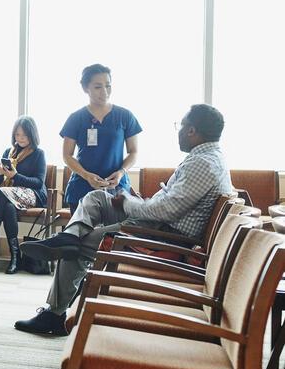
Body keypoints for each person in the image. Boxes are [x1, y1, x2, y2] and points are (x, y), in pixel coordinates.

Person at [14, 104, 233, 336]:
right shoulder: (207, 158)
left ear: (192, 131)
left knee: (77, 248)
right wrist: (136, 202)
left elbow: (166, 211)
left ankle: (54, 315)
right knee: (97, 198)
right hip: (156, 225)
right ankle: (68, 236)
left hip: (160, 237)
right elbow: (170, 205)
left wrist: (129, 203)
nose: (177, 131)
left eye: (181, 125)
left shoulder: (203, 163)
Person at [61, 64, 141, 213]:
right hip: (82, 188)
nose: (104, 91)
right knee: (81, 235)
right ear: (85, 88)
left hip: (116, 188)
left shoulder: (125, 116)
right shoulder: (75, 118)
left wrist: (121, 172)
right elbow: (67, 155)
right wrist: (86, 176)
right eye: (98, 87)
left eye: (108, 86)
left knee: (114, 235)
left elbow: (133, 152)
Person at [0, 116, 47, 274]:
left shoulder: (38, 154)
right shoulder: (9, 152)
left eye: (24, 135)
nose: (20, 138)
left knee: (3, 194)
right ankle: (15, 258)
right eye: (17, 135)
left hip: (34, 196)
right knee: (7, 206)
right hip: (10, 196)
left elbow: (38, 183)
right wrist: (0, 174)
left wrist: (15, 176)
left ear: (32, 135)